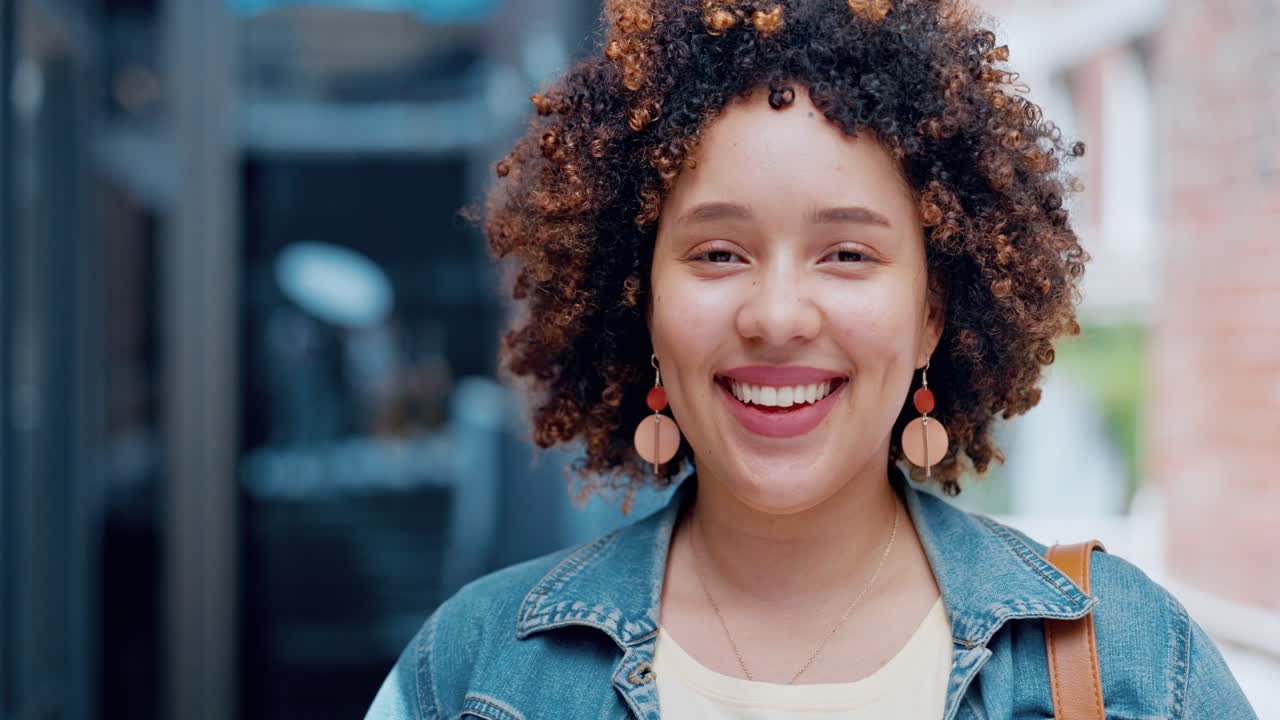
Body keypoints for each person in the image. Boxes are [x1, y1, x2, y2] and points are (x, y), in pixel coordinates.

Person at [366, 0, 1258, 717]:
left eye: (848, 253)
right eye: (718, 252)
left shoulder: (1131, 665)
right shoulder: (472, 673)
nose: (778, 315)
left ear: (932, 315)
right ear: (642, 300)